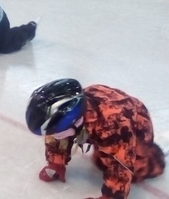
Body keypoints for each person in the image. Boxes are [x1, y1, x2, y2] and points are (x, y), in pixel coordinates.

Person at [26, 78, 165, 199]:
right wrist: (56, 163)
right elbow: (58, 139)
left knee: (132, 167)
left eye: (57, 131)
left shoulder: (113, 128)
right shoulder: (75, 117)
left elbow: (120, 166)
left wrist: (111, 196)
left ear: (76, 121)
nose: (54, 136)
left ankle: (148, 159)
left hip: (135, 129)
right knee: (98, 156)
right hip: (103, 116)